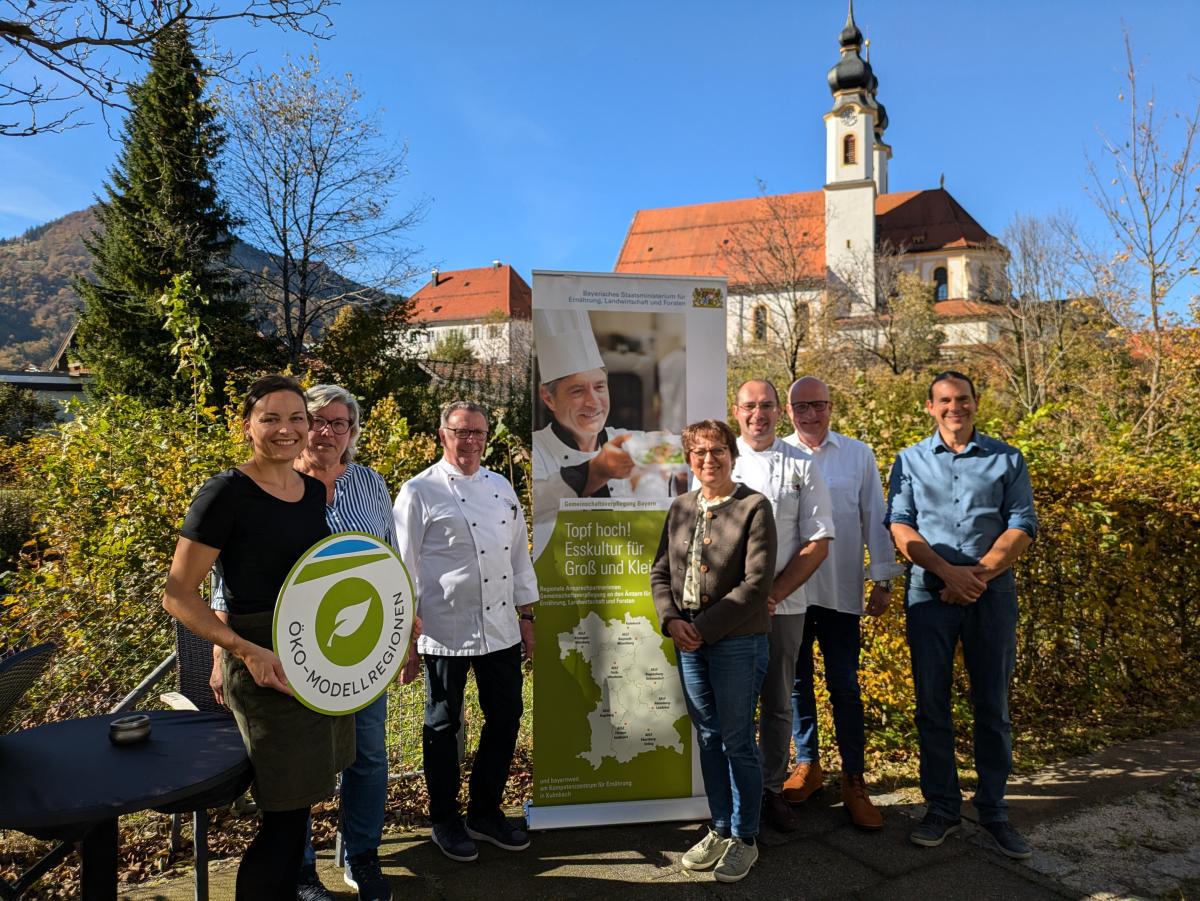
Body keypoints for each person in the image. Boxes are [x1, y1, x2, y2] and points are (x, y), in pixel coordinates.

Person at [163, 374, 354, 900]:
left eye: (296, 418)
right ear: (247, 426)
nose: (286, 429)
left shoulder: (313, 490)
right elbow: (177, 594)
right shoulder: (225, 492)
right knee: (283, 819)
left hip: (314, 657)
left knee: (301, 809)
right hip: (264, 664)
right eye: (270, 418)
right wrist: (242, 650)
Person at [885, 371, 1038, 859]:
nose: (956, 407)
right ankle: (942, 808)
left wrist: (976, 577)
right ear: (930, 407)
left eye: (964, 399)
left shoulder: (1007, 458)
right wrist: (948, 574)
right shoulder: (908, 460)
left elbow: (1022, 524)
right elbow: (900, 526)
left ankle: (993, 810)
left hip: (990, 597)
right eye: (945, 400)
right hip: (930, 596)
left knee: (992, 706)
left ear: (976, 403)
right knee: (932, 706)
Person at [392, 401, 538, 863]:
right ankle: (444, 819)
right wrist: (406, 640)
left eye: (478, 432)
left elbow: (518, 556)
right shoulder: (418, 491)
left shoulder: (500, 488)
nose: (470, 441)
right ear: (442, 435)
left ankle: (485, 811)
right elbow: (403, 566)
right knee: (442, 726)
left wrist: (527, 616)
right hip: (442, 632)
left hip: (500, 628)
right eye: (461, 432)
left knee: (506, 717)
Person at [651, 419, 777, 883]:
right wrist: (671, 621)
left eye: (718, 450)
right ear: (689, 459)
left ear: (732, 454)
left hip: (736, 642)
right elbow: (659, 573)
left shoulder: (754, 507)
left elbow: (756, 584)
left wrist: (700, 629)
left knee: (738, 740)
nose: (709, 459)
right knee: (708, 737)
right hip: (689, 641)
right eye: (699, 452)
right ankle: (720, 827)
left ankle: (745, 837)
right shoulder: (681, 506)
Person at [782, 376, 904, 829]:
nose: (810, 414)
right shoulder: (776, 455)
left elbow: (877, 518)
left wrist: (884, 579)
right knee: (796, 685)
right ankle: (808, 764)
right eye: (801, 406)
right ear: (788, 409)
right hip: (792, 592)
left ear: (832, 406)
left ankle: (855, 779)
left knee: (845, 687)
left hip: (839, 591)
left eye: (819, 405)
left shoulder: (858, 454)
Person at [729, 379, 834, 833]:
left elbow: (818, 540)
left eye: (767, 405)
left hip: (783, 606)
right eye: (750, 406)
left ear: (779, 411)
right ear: (736, 411)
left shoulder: (803, 464)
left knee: (776, 704)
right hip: (727, 610)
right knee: (731, 707)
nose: (759, 414)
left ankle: (771, 791)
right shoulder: (720, 458)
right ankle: (733, 793)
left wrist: (769, 595)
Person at [531, 309, 634, 559]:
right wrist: (596, 471)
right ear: (549, 398)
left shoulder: (626, 438)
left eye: (599, 387)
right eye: (577, 391)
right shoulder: (535, 449)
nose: (593, 402)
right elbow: (540, 501)